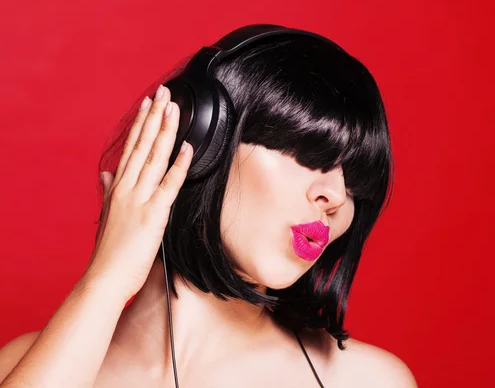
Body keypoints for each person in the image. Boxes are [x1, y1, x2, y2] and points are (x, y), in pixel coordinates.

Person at [0, 28, 417, 387]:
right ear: (201, 141)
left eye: (356, 182)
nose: (337, 197)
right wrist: (105, 280)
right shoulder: (29, 365)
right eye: (308, 154)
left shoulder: (365, 380)